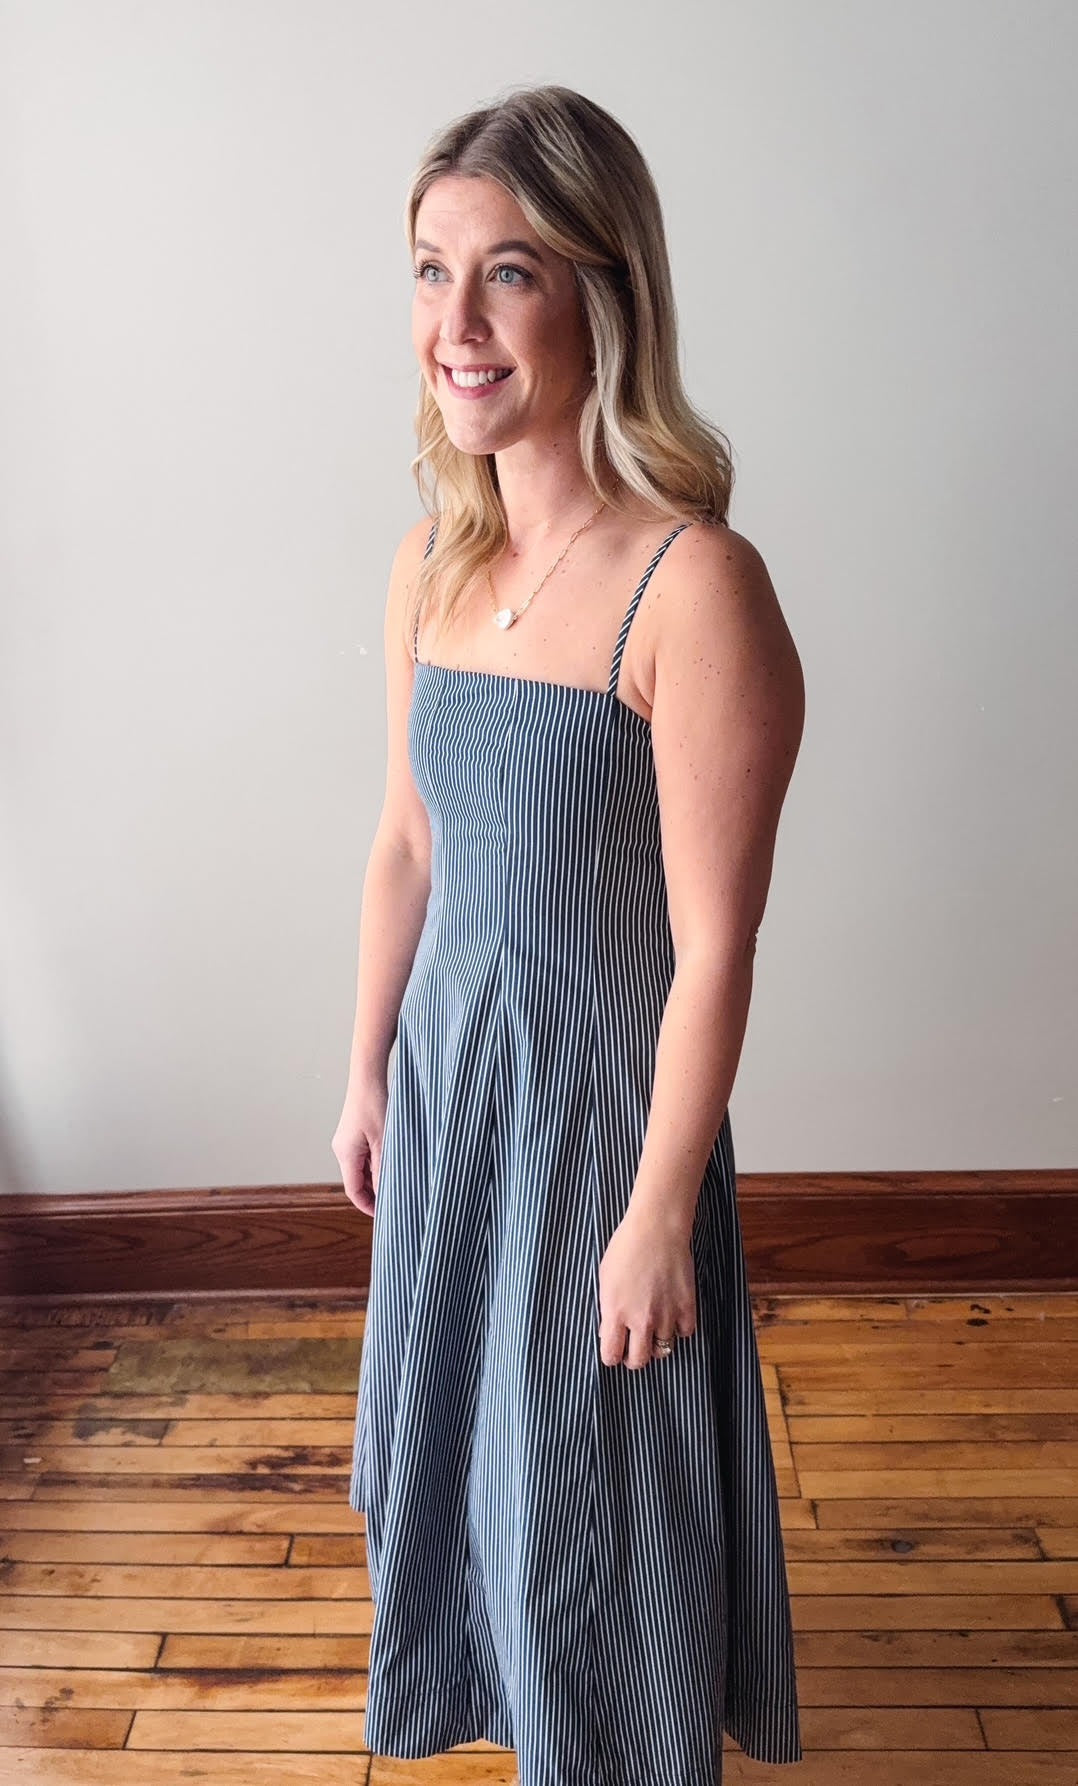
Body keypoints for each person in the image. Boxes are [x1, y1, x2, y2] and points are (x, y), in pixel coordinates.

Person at [332, 83, 805, 1785]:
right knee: (454, 1470)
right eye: (428, 271)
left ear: (604, 292)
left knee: (587, 1511)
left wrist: (660, 1205)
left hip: (601, 1134)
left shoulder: (694, 586)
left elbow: (716, 945)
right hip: (457, 1102)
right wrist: (364, 1068)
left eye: (508, 274)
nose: (454, 326)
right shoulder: (430, 565)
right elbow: (404, 843)